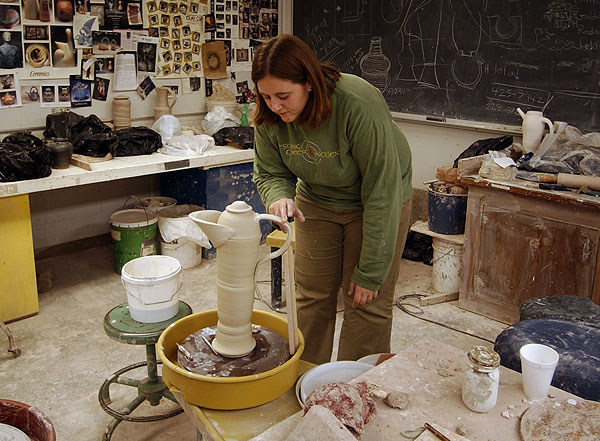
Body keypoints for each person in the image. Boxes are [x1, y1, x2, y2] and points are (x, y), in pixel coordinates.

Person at [251, 34, 413, 364]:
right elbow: (269, 172)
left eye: (283, 96)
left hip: (375, 199)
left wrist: (370, 272)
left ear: (309, 82)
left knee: (367, 300)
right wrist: (279, 197)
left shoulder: (356, 101)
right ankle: (307, 377)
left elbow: (382, 189)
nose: (275, 106)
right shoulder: (269, 115)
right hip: (316, 198)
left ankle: (355, 387)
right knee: (311, 296)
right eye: (266, 96)